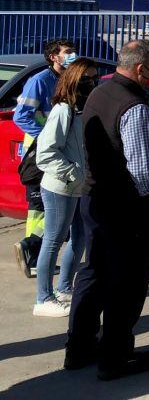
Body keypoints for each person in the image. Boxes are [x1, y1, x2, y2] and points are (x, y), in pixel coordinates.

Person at [66, 40, 149, 380]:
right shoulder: (134, 106)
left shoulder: (100, 93)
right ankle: (116, 357)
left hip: (94, 200)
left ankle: (78, 348)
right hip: (125, 209)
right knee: (126, 284)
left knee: (94, 274)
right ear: (140, 69)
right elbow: (141, 171)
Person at [32, 58, 97, 317]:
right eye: (86, 80)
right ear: (74, 81)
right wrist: (74, 174)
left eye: (94, 78)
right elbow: (46, 154)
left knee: (79, 238)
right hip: (60, 186)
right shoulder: (63, 110)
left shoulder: (82, 109)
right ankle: (43, 297)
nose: (91, 84)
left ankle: (65, 288)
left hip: (78, 186)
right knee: (53, 240)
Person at [13, 37, 77, 278]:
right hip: (40, 152)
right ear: (54, 57)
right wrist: (48, 135)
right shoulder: (39, 81)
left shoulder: (66, 80)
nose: (73, 55)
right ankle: (31, 251)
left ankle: (33, 250)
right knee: (40, 206)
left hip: (59, 151)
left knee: (46, 206)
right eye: (68, 52)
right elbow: (22, 117)